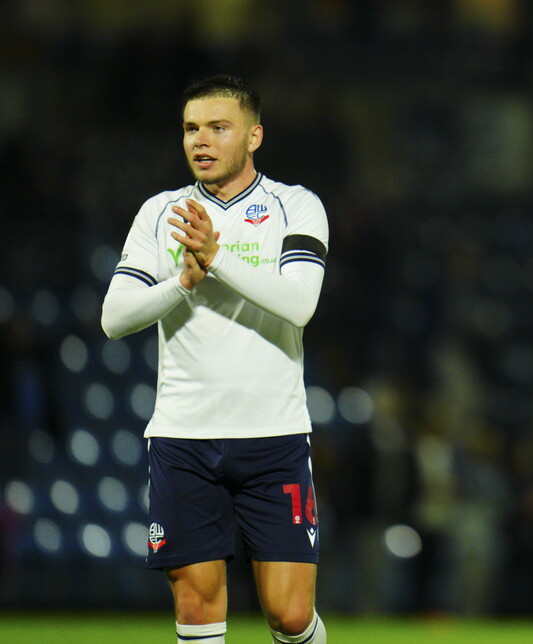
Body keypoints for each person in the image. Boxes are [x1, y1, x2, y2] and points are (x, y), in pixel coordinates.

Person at [101, 75, 328, 644]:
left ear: (253, 137)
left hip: (273, 435)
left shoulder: (295, 205)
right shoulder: (160, 212)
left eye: (217, 128)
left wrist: (216, 257)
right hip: (183, 436)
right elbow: (114, 318)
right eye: (190, 128)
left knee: (291, 616)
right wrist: (182, 283)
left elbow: (299, 304)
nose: (200, 140)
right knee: (197, 609)